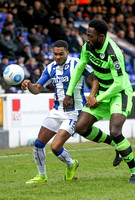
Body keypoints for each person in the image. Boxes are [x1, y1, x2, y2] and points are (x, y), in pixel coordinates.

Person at [21, 40, 122, 184]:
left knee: (55, 146)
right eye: (55, 54)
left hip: (74, 112)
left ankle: (71, 164)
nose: (57, 57)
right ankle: (42, 176)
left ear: (67, 53)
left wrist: (92, 95)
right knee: (38, 144)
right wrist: (29, 85)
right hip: (57, 111)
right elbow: (37, 89)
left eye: (61, 54)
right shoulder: (50, 68)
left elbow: (95, 80)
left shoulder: (77, 64)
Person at [63, 19, 135, 184]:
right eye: (87, 35)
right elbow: (79, 68)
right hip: (101, 92)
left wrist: (97, 98)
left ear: (101, 36)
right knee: (81, 127)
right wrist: (68, 93)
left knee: (115, 130)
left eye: (90, 36)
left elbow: (119, 83)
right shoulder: (87, 47)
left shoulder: (113, 53)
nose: (87, 39)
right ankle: (116, 145)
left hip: (119, 93)